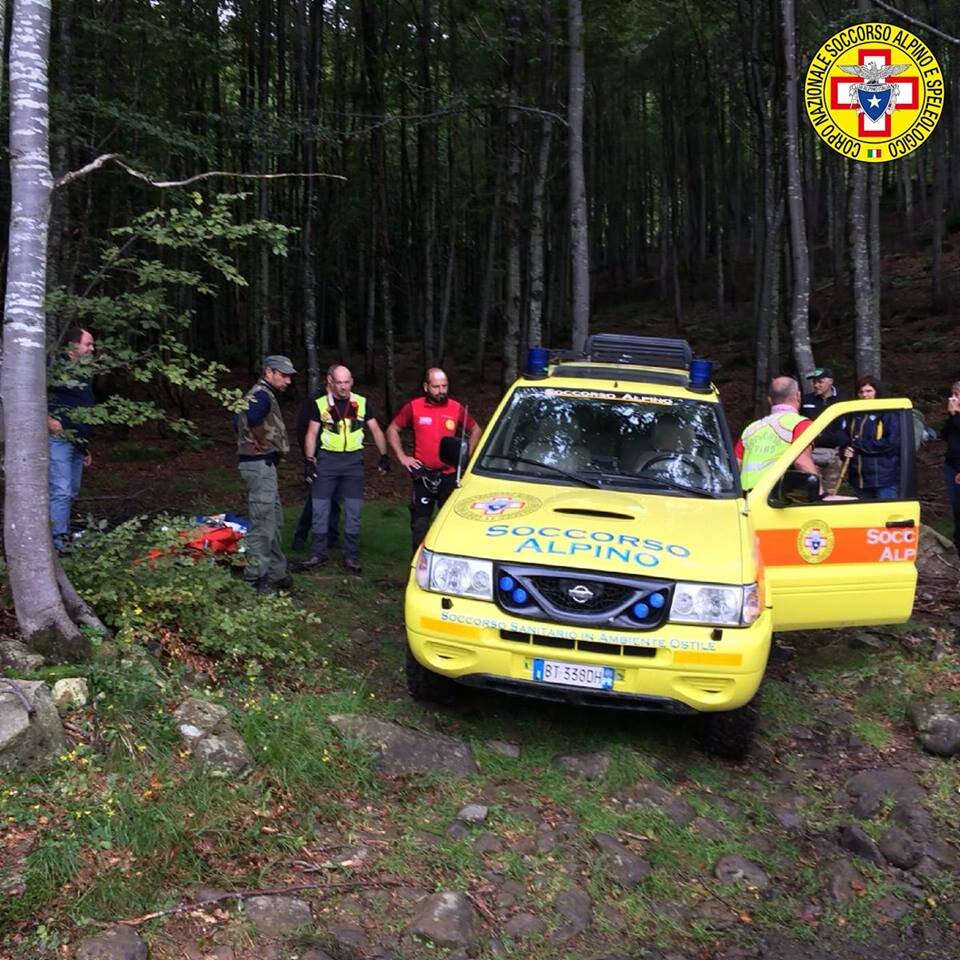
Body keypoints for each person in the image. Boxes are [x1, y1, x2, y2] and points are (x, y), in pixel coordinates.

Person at [300, 364, 389, 574]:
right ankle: (317, 553)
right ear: (330, 382)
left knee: (353, 509)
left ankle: (351, 555)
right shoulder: (320, 404)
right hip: (327, 460)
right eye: (339, 382)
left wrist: (384, 455)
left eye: (347, 382)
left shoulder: (361, 402)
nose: (343, 387)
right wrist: (309, 460)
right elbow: (311, 433)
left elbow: (376, 430)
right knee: (320, 508)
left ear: (352, 382)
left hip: (353, 461)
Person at [387, 367, 482, 553]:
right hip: (423, 476)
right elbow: (392, 429)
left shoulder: (455, 407)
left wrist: (466, 457)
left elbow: (475, 429)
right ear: (426, 387)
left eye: (444, 386)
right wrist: (402, 456)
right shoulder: (414, 407)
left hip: (450, 475)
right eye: (436, 387)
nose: (441, 391)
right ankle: (418, 563)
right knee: (419, 527)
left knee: (450, 526)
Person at [236, 355, 296, 595]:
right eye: (283, 375)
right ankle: (256, 578)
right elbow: (251, 418)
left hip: (263, 466)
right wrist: (261, 442)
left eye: (289, 376)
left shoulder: (259, 394)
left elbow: (237, 419)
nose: (288, 381)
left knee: (273, 520)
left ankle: (275, 572)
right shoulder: (261, 394)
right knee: (263, 522)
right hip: (258, 465)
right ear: (268, 372)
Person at [48, 326, 96, 550]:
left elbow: (84, 406)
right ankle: (57, 545)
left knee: (71, 491)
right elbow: (33, 395)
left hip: (78, 442)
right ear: (72, 345)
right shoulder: (55, 367)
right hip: (59, 439)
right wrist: (47, 419)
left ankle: (63, 534)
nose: (92, 349)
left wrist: (84, 448)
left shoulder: (83, 371)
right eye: (88, 344)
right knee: (61, 490)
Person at [735, 376, 818, 492]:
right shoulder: (801, 424)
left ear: (769, 400)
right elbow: (801, 461)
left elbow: (735, 465)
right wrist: (820, 492)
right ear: (798, 396)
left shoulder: (751, 428)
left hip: (745, 496)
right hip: (774, 497)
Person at [291, 384, 341, 553]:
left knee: (334, 499)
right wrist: (310, 458)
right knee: (316, 499)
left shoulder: (342, 401)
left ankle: (331, 537)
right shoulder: (314, 402)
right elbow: (303, 431)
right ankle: (301, 535)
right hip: (319, 457)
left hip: (338, 457)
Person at [842, 376, 900, 500]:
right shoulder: (853, 415)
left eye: (869, 391)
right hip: (859, 479)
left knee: (886, 510)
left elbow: (891, 443)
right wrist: (844, 450)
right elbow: (845, 439)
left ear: (877, 392)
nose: (865, 395)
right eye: (861, 392)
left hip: (884, 478)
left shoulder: (888, 414)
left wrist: (859, 444)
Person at [800, 366, 846, 493]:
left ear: (831, 381)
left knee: (831, 492)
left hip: (834, 454)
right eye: (814, 382)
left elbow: (848, 425)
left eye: (820, 382)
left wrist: (844, 446)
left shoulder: (842, 400)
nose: (816, 385)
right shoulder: (805, 400)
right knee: (813, 491)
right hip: (811, 452)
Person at [939, 381, 960, 551]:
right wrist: (952, 416)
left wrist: (956, 416)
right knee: (955, 504)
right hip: (951, 464)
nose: (953, 398)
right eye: (952, 395)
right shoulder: (954, 416)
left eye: (957, 395)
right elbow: (944, 435)